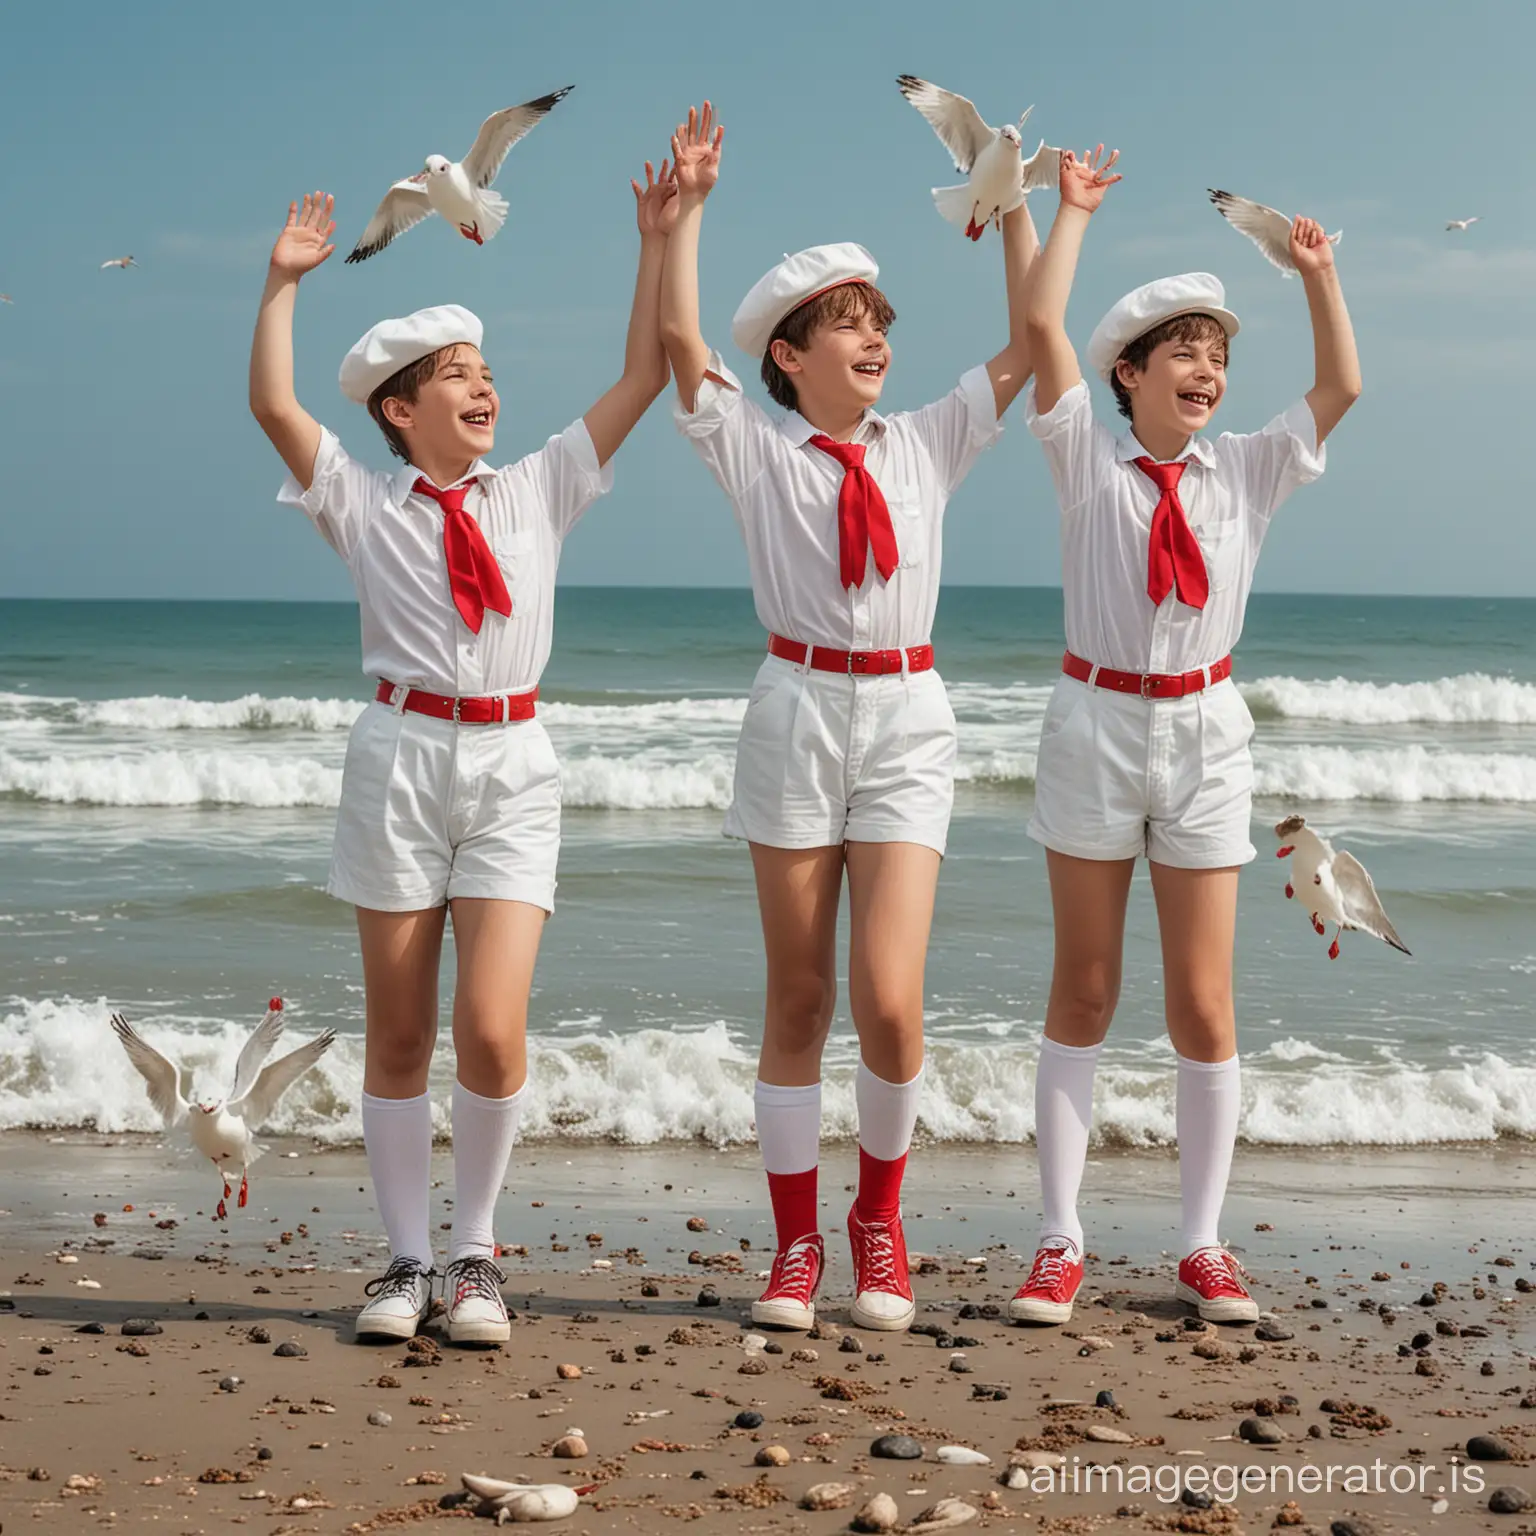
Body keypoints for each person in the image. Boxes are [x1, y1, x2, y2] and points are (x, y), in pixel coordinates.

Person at [247, 169, 676, 1344]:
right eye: (454, 377)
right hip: (396, 758)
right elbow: (274, 405)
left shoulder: (539, 487)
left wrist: (661, 235)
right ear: (400, 410)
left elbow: (642, 376)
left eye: (485, 373)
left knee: (491, 1030)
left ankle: (476, 1257)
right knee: (397, 1031)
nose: (483, 387)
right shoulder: (361, 501)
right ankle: (403, 1261)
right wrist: (283, 283)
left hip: (511, 762)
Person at [658, 102, 1039, 1332]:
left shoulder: (928, 441)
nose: (872, 337)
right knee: (800, 997)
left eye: (878, 320)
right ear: (787, 355)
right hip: (797, 709)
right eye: (845, 323)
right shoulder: (756, 449)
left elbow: (1033, 344)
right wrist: (690, 212)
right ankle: (793, 1246)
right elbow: (676, 343)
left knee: (889, 997)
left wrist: (1018, 206)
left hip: (910, 715)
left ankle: (879, 1218)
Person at [1012, 148, 1360, 1324]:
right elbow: (1042, 320)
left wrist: (1315, 274)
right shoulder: (1081, 455)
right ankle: (1060, 1240)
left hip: (1209, 728)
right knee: (1088, 987)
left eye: (1217, 352)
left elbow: (1341, 389)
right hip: (1094, 722)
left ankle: (1203, 1245)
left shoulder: (1248, 470)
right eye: (1184, 350)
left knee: (1203, 1007)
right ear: (1130, 372)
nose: (1206, 366)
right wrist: (1068, 211)